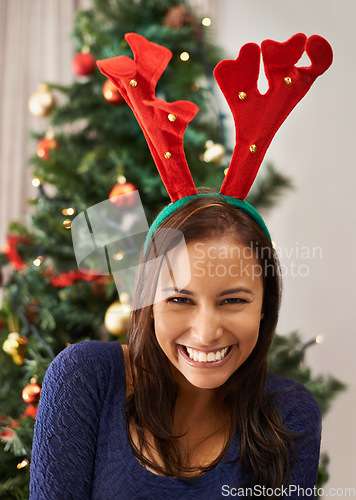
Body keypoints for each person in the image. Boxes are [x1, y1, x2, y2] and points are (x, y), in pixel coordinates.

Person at [30, 32, 332, 499]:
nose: (206, 331)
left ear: (265, 305)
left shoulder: (290, 415)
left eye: (233, 300)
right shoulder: (84, 379)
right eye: (178, 299)